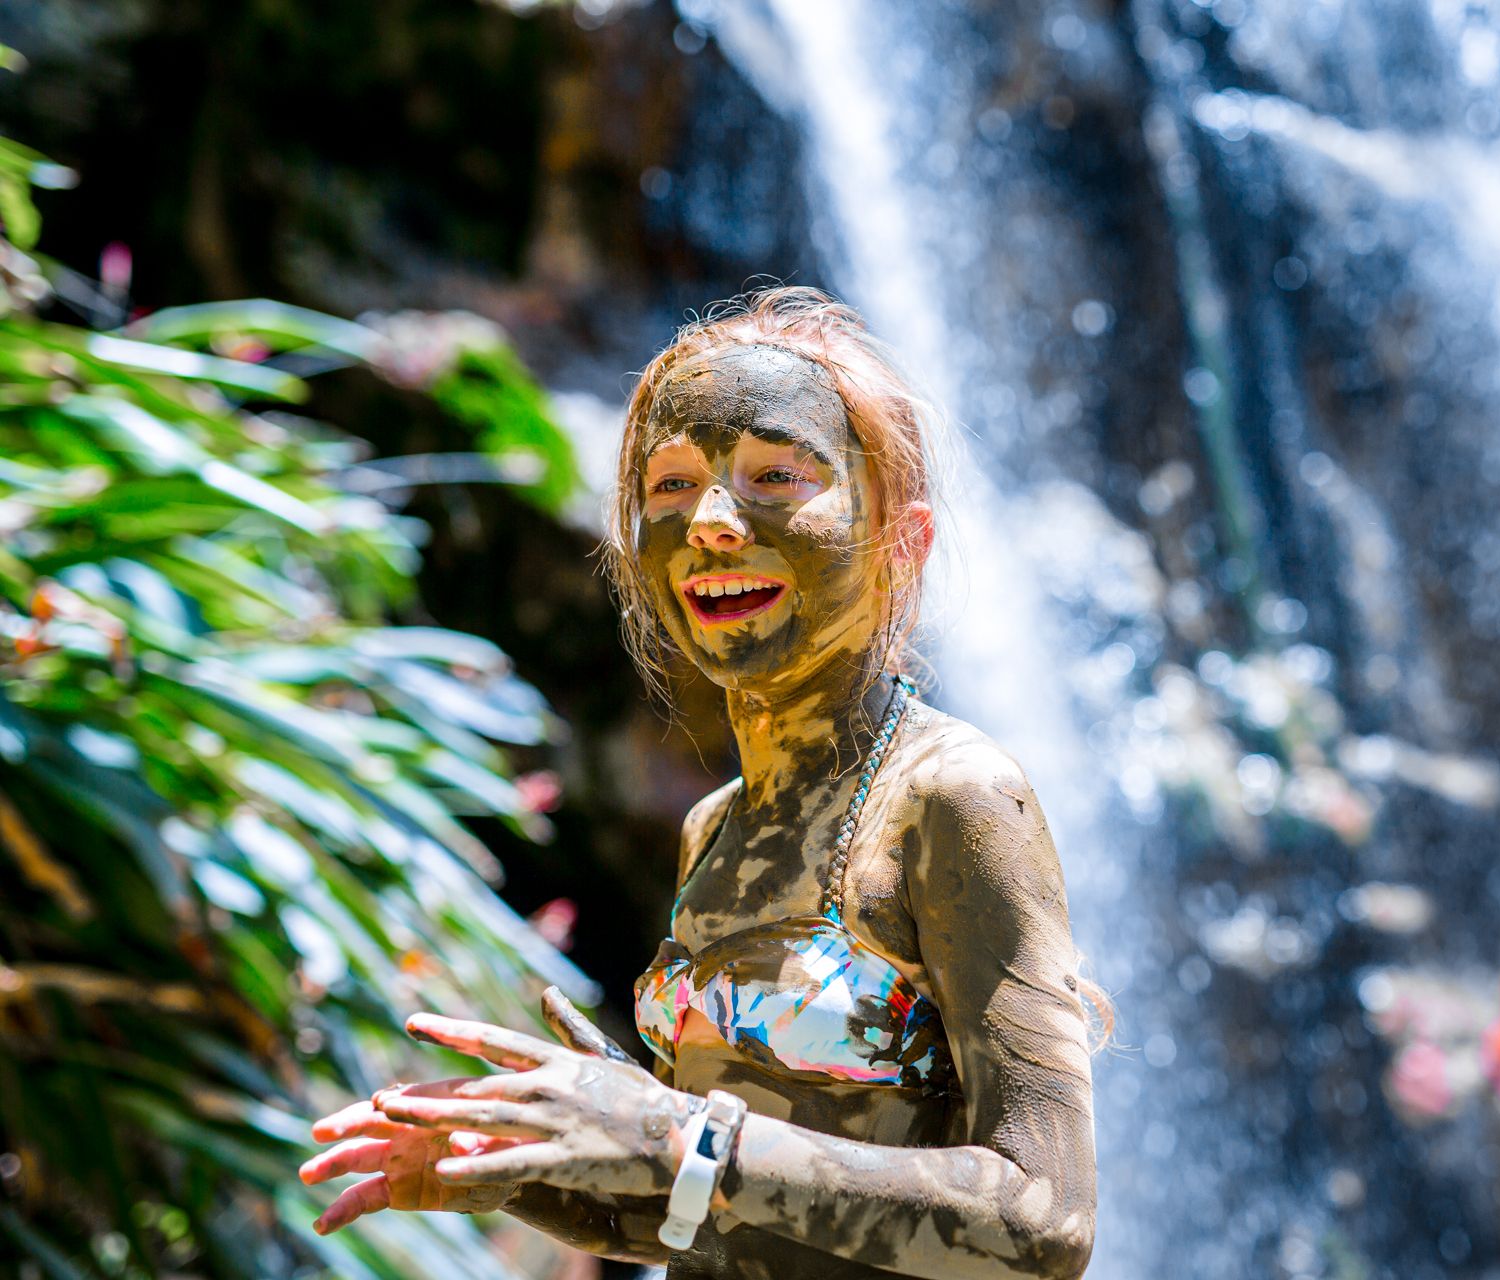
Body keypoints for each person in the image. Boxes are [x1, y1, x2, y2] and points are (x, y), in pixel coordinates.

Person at [300, 287, 1105, 1279]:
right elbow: (732, 1212)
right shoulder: (715, 826)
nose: (714, 523)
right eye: (672, 483)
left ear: (905, 538)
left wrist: (678, 1136)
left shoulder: (955, 796)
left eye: (776, 475)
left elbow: (1046, 1218)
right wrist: (538, 1168)